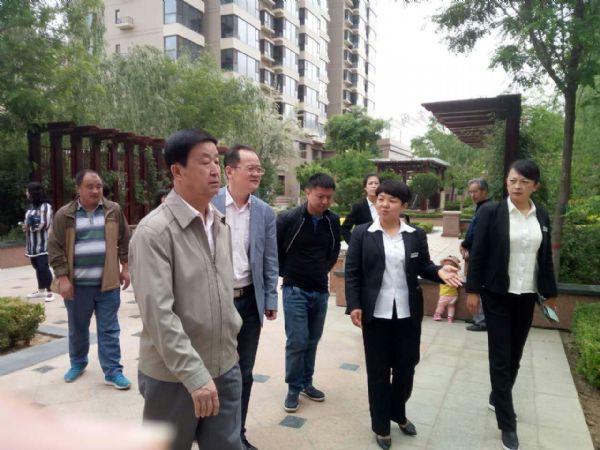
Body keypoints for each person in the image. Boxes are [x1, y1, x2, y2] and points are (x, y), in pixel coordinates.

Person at [129, 129, 243, 450]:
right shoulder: (154, 232)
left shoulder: (219, 224)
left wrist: (231, 351)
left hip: (224, 368)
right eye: (204, 162)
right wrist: (194, 375)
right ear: (177, 171)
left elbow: (223, 294)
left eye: (216, 161)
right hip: (173, 378)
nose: (215, 169)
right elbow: (158, 316)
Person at [344, 180, 463, 450]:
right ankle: (381, 425)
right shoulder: (363, 233)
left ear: (404, 205)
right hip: (376, 314)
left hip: (407, 314)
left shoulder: (414, 234)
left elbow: (424, 266)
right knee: (378, 372)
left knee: (406, 368)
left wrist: (439, 271)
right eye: (381, 199)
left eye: (392, 200)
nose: (384, 204)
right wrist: (355, 304)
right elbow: (352, 272)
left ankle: (397, 412)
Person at [466, 159, 558, 450]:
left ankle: (497, 397)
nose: (517, 186)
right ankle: (508, 424)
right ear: (506, 182)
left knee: (515, 355)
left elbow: (544, 256)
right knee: (500, 357)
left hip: (526, 294)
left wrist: (549, 291)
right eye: (512, 180)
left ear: (535, 186)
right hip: (496, 295)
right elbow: (478, 252)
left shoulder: (541, 214)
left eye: (524, 182)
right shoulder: (492, 212)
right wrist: (473, 290)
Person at [212, 144, 278, 450]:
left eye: (259, 169)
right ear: (229, 170)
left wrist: (270, 299)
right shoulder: (209, 203)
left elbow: (270, 259)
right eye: (250, 168)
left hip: (250, 300)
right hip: (216, 300)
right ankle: (213, 433)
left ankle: (237, 433)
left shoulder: (264, 211)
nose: (257, 174)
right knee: (214, 369)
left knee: (245, 372)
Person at [48, 169, 131, 389]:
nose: (95, 190)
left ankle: (113, 371)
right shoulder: (65, 215)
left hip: (108, 285)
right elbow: (54, 247)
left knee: (109, 330)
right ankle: (78, 363)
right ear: (78, 189)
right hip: (77, 287)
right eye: (90, 186)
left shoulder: (113, 210)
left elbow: (125, 239)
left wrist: (126, 267)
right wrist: (62, 278)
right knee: (78, 328)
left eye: (98, 186)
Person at [277, 172, 341, 413]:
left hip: (320, 290)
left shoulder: (331, 220)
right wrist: (289, 273)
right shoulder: (289, 218)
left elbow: (334, 250)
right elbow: (275, 250)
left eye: (329, 197)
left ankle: (307, 382)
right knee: (297, 341)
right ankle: (293, 388)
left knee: (312, 340)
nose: (325, 201)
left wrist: (322, 270)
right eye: (320, 196)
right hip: (295, 289)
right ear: (308, 192)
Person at [460, 178, 492, 331]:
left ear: (485, 191)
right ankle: (477, 316)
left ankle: (482, 320)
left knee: (480, 286)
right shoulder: (481, 207)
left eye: (476, 191)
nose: (472, 195)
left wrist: (465, 244)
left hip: (482, 256)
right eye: (470, 192)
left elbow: (476, 232)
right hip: (477, 253)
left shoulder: (486, 209)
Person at [22, 182, 54, 302]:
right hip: (32, 244)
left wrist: (29, 227)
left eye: (27, 191)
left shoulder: (46, 206)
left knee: (43, 267)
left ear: (33, 193)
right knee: (37, 267)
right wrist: (25, 226)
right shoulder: (31, 207)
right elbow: (29, 221)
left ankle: (51, 291)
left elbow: (44, 224)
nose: (26, 193)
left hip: (43, 244)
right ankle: (41, 290)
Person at [341, 174, 380, 244]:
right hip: (366, 247)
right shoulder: (358, 207)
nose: (374, 186)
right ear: (365, 187)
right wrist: (354, 244)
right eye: (370, 183)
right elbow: (344, 228)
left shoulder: (386, 205)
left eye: (376, 183)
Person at [433, 255, 461, 323]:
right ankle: (450, 317)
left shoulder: (443, 274)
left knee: (441, 305)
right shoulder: (455, 274)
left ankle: (437, 315)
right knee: (451, 306)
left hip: (445, 294)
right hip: (454, 295)